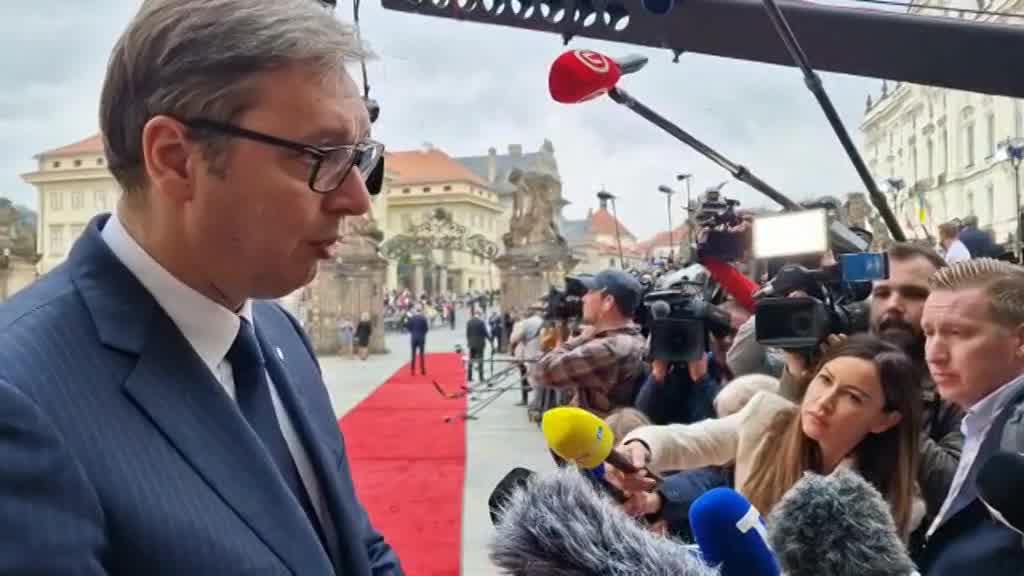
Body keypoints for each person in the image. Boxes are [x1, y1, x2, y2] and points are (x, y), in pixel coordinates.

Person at [0, 1, 401, 574]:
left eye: (359, 158)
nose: (357, 199)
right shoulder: (20, 400)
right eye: (320, 157)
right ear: (175, 160)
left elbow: (354, 550)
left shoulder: (278, 332)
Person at [614, 335, 924, 540]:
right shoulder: (767, 416)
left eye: (853, 397)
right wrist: (639, 447)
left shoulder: (894, 503)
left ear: (885, 420)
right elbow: (691, 440)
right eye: (825, 380)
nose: (824, 401)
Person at [915, 258, 1024, 575]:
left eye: (957, 332)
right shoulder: (983, 417)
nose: (934, 354)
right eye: (928, 333)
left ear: (1020, 341)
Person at [531, 269, 647, 417]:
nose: (584, 298)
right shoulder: (633, 339)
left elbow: (542, 371)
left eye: (591, 292)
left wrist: (579, 340)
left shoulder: (609, 349)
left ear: (608, 302)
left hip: (602, 430)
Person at [465, 309, 490, 383]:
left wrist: (469, 342)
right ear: (479, 314)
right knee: (480, 360)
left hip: (471, 344)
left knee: (471, 360)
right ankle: (481, 377)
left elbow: (467, 333)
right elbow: (485, 332)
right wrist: (490, 340)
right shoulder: (481, 322)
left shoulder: (469, 322)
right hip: (480, 344)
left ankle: (469, 377)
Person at [407, 306, 429, 375]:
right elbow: (426, 328)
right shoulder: (423, 318)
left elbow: (408, 327)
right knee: (421, 354)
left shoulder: (412, 318)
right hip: (421, 337)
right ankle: (422, 370)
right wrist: (423, 333)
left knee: (413, 354)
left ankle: (412, 370)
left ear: (415, 311)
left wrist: (413, 332)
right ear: (420, 311)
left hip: (413, 337)